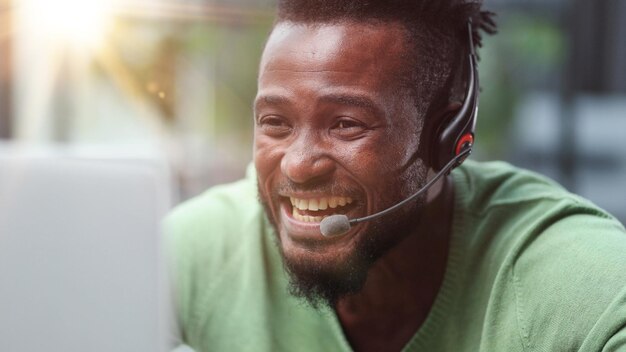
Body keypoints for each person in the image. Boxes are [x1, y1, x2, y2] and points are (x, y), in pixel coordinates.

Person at [165, 0, 626, 351]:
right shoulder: (198, 252)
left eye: (346, 124)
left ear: (446, 137)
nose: (297, 164)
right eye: (276, 124)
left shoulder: (569, 276)